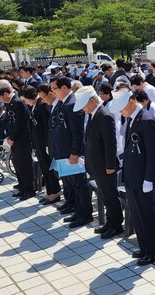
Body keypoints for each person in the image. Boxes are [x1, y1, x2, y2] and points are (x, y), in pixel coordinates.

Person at [110, 89, 155, 265]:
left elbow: (153, 153)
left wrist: (149, 179)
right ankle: (144, 247)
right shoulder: (133, 118)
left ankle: (154, 250)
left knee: (147, 214)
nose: (120, 112)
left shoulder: (146, 120)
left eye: (122, 107)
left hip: (142, 178)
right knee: (137, 214)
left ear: (131, 102)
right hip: (132, 175)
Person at [75, 86, 123, 239]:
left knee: (110, 195)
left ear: (92, 100)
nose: (83, 108)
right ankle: (110, 222)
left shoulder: (104, 115)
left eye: (84, 104)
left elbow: (110, 143)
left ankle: (116, 225)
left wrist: (110, 165)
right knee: (104, 194)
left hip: (104, 165)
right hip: (96, 164)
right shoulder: (94, 114)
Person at [50, 77, 91, 227]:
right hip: (63, 152)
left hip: (71, 154)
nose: (53, 92)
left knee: (80, 184)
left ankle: (85, 214)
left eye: (55, 88)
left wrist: (75, 153)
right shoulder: (63, 103)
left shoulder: (73, 104)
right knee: (72, 184)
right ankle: (78, 211)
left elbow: (78, 132)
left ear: (64, 88)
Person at [0, 81, 36, 201]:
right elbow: (9, 122)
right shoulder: (10, 103)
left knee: (25, 164)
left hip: (22, 139)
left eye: (1, 98)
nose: (1, 101)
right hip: (14, 139)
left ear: (6, 93)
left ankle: (29, 189)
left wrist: (12, 137)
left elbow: (21, 123)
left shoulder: (18, 102)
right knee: (17, 163)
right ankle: (22, 185)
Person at [25, 85, 61, 205]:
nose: (26, 102)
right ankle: (49, 192)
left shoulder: (42, 106)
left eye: (26, 99)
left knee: (49, 169)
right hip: (38, 143)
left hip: (44, 143)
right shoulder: (35, 107)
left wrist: (47, 144)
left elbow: (47, 127)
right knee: (44, 169)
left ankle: (54, 193)